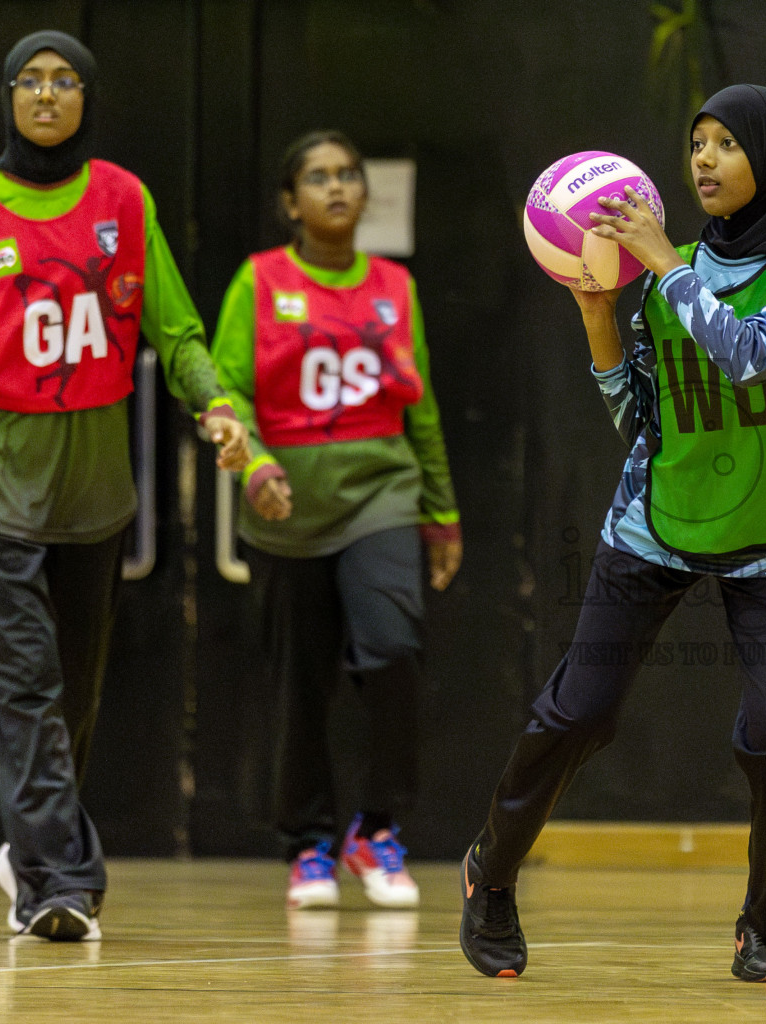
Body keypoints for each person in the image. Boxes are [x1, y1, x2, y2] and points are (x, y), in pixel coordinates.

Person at [458, 84, 766, 983]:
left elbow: (751, 355)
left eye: (726, 144)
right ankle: (493, 872)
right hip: (654, 526)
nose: (702, 159)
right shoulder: (663, 272)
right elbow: (640, 415)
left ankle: (763, 927)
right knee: (578, 713)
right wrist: (599, 316)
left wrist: (666, 262)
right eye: (696, 142)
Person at [0, 30, 250, 941]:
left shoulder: (123, 198)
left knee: (74, 691)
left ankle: (32, 850)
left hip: (93, 491)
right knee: (27, 686)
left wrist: (217, 406)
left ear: (86, 96)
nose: (46, 94)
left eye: (64, 79)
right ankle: (58, 885)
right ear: (6, 96)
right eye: (29, 80)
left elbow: (179, 331)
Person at [211, 130, 461, 910]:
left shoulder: (393, 285)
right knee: (301, 685)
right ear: (291, 203)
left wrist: (442, 511)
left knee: (393, 652)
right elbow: (227, 391)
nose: (337, 187)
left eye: (348, 174)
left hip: (380, 493)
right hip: (290, 509)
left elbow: (417, 404)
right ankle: (308, 844)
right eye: (317, 178)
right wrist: (253, 466)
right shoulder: (257, 283)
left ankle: (375, 829)